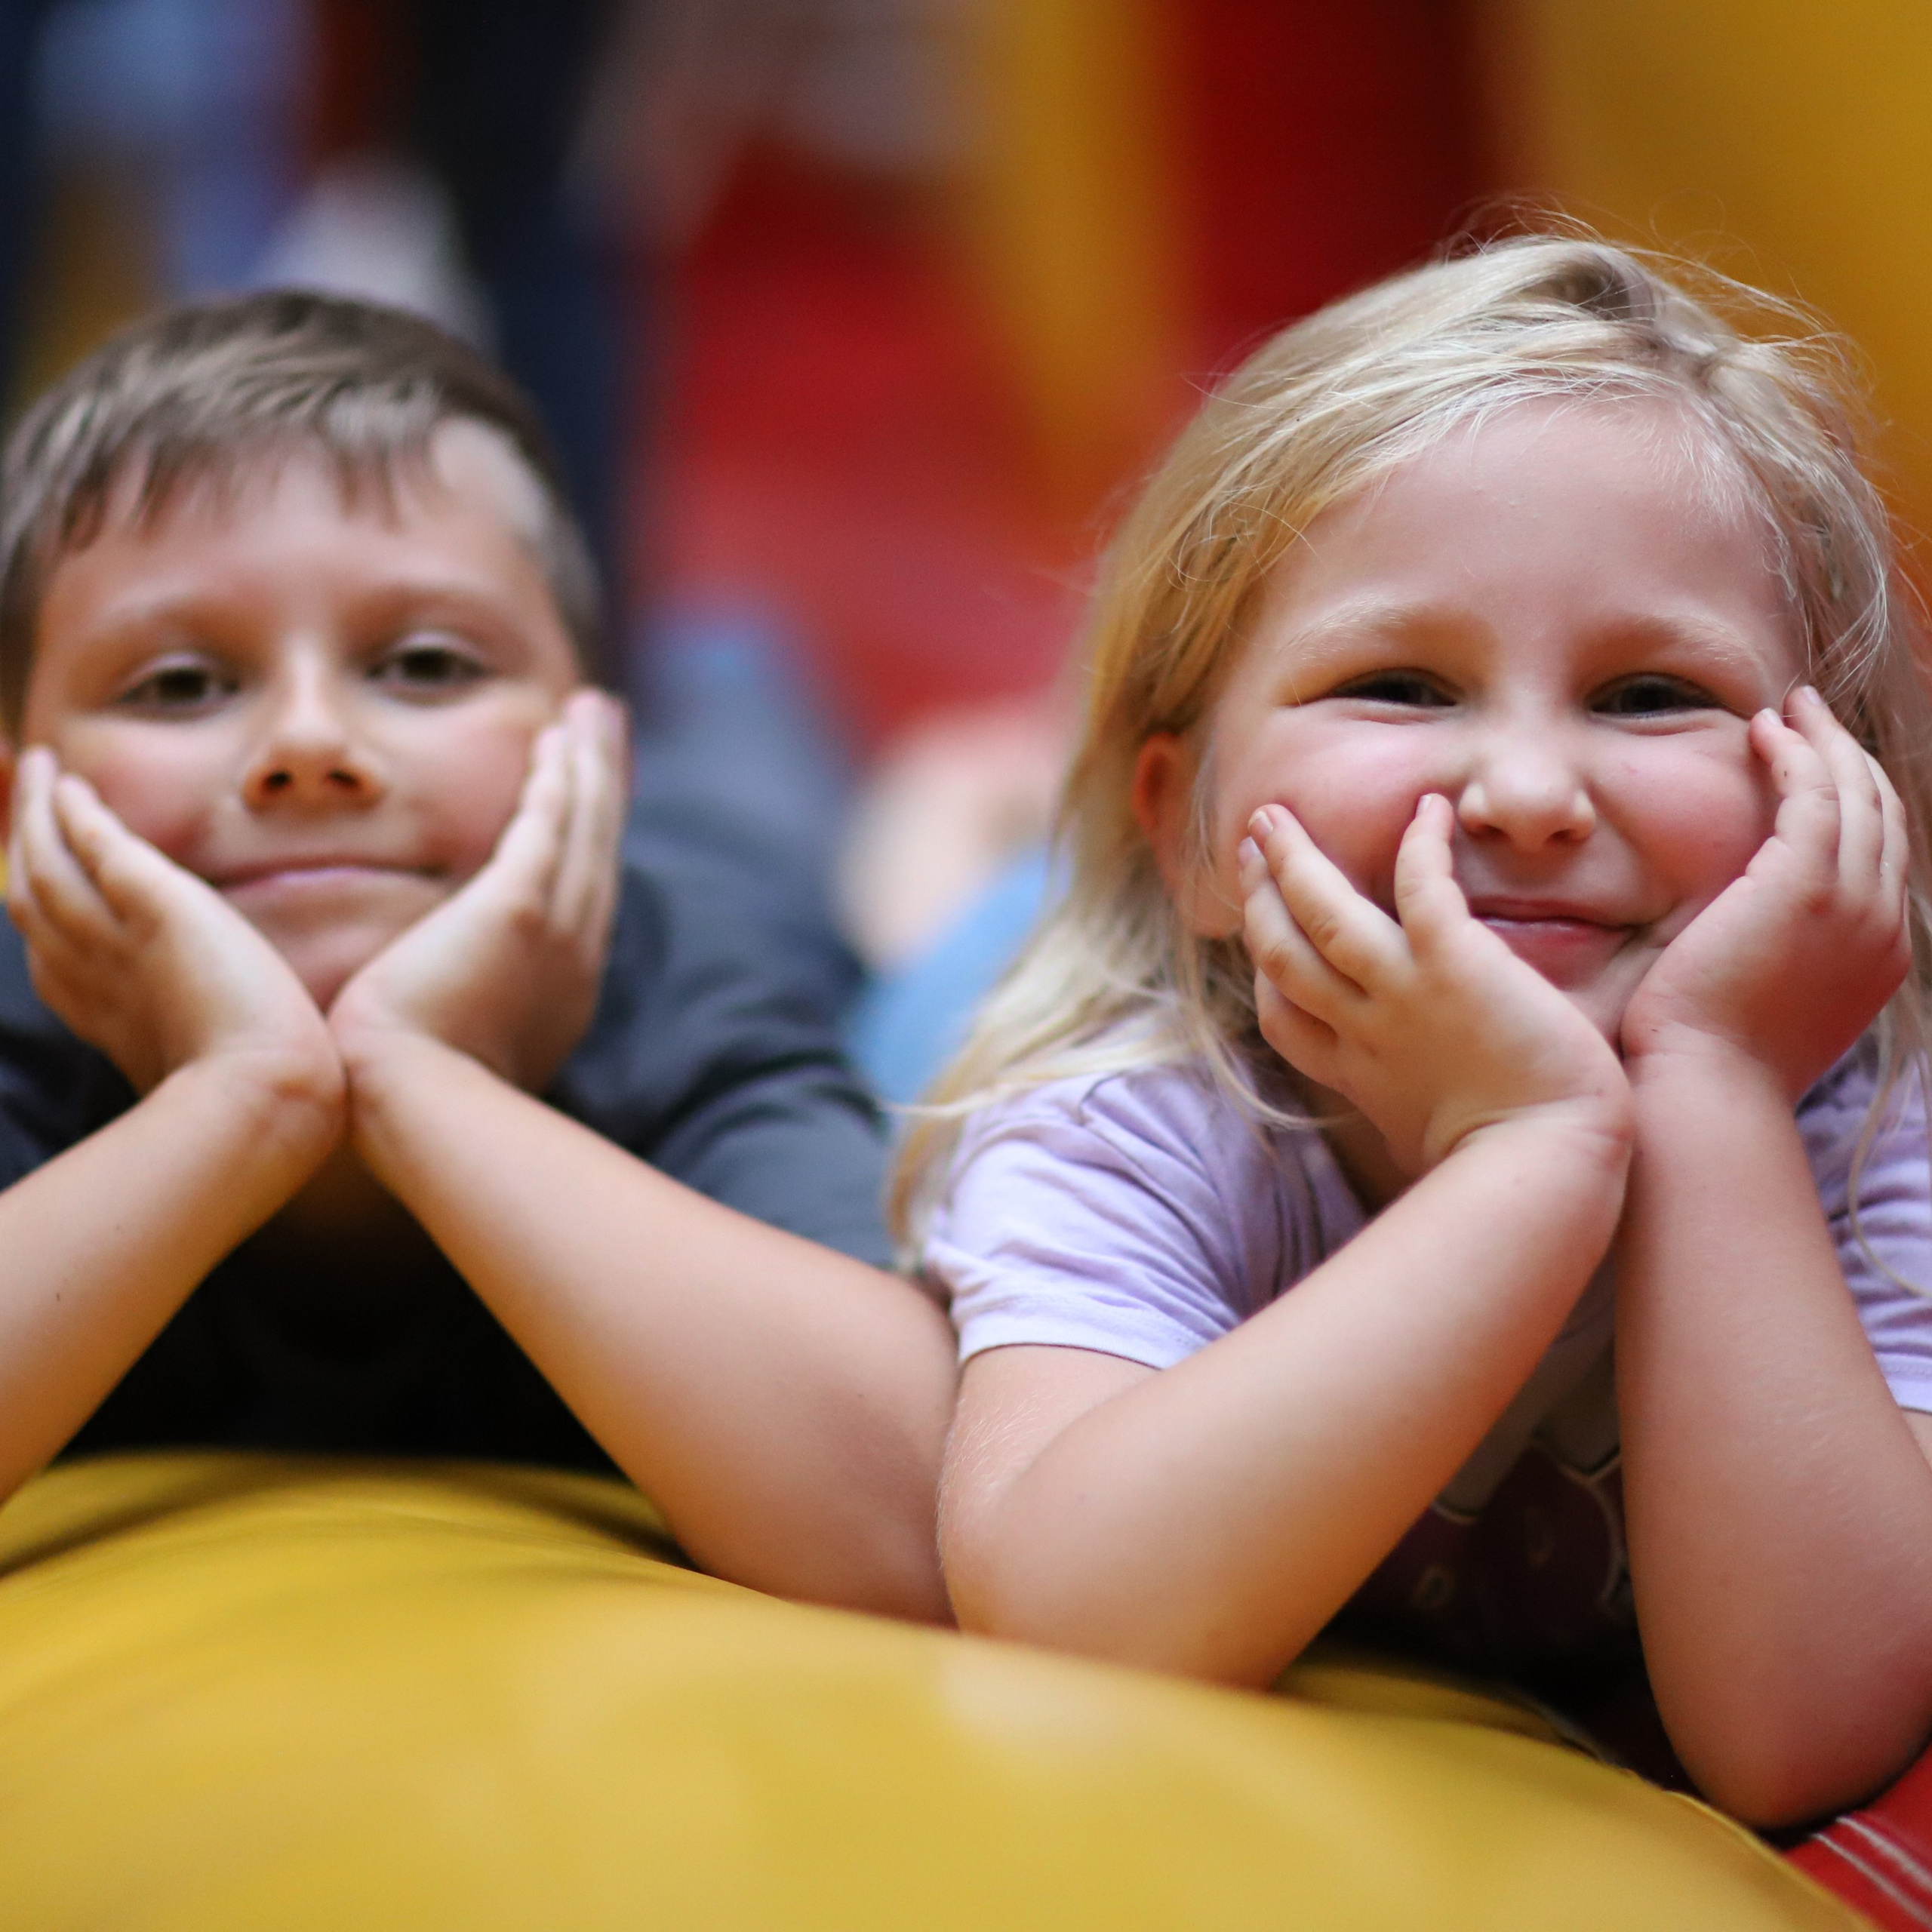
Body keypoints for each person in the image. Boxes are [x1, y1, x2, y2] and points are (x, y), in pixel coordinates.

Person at [897, 233, 1932, 1832]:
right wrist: (1527, 1153)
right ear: (1186, 829)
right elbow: (1076, 1609)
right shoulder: (1135, 1114)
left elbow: (1797, 1736)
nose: (1526, 794)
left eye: (1652, 693)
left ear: (1839, 783)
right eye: (1397, 681)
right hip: (978, 979)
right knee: (910, 934)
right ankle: (936, 810)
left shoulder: (1865, 1135)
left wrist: (1715, 1091)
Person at [0, 289, 954, 1622]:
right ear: (17, 807)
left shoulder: (685, 984)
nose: (309, 744)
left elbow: (922, 1521)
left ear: (590, 766)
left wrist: (416, 1078)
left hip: (729, 857)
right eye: (179, 685)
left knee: (833, 814)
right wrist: (247, 1097)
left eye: (427, 664)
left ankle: (895, 767)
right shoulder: (21, 1022)